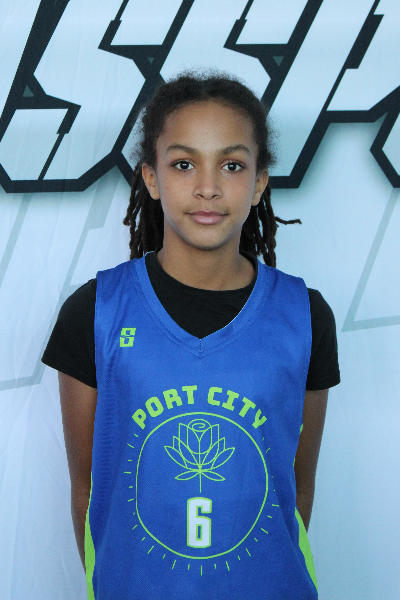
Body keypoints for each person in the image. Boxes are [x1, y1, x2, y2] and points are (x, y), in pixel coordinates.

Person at [42, 71, 340, 600]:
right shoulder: (94, 312)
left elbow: (296, 487)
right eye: (184, 164)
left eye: (232, 165)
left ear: (260, 181)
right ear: (151, 178)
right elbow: (88, 489)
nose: (208, 187)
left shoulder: (305, 315)